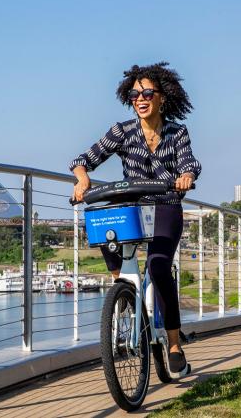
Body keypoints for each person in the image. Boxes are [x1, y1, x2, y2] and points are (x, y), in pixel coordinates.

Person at [69, 62, 201, 376]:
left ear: (162, 97)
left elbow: (188, 163)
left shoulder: (176, 132)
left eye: (147, 93)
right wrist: (82, 179)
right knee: (105, 226)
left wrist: (184, 176)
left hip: (166, 206)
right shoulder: (122, 131)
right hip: (133, 209)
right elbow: (83, 159)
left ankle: (173, 344)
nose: (140, 99)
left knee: (158, 267)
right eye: (134, 94)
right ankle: (123, 292)